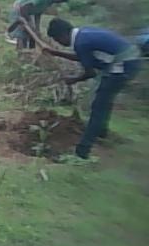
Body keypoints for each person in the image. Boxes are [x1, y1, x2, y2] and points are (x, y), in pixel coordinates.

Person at [42, 18, 142, 159]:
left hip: (123, 65)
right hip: (130, 60)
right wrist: (56, 53)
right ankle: (101, 132)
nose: (59, 43)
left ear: (62, 35)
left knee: (99, 106)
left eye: (57, 40)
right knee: (104, 100)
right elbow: (84, 57)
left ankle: (82, 151)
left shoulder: (81, 43)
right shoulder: (84, 34)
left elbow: (90, 73)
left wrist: (73, 80)